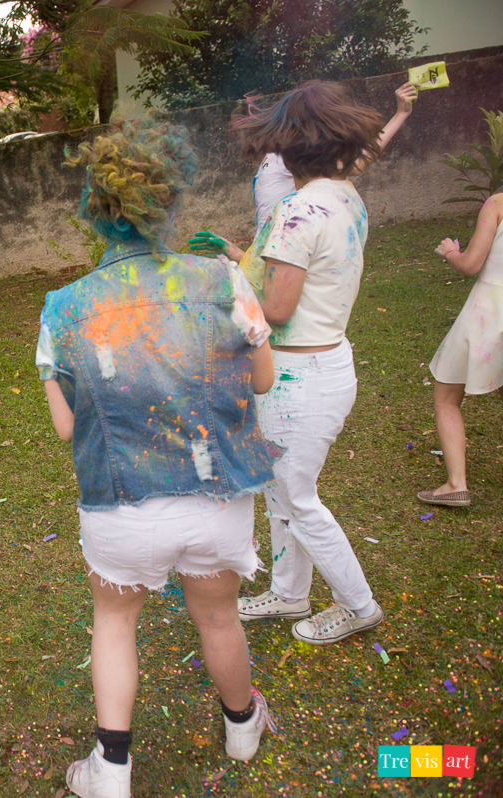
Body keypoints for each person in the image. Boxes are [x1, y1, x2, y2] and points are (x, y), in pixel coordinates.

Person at [38, 118, 279, 798]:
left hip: (120, 505)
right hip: (218, 497)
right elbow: (262, 380)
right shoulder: (223, 278)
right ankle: (241, 725)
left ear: (93, 207)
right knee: (218, 615)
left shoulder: (62, 308)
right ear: (169, 201)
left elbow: (65, 426)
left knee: (115, 622)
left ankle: (111, 770)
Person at [230, 80, 387, 645]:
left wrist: (227, 289)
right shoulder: (346, 195)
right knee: (280, 490)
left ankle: (358, 606)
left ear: (289, 146)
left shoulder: (298, 211)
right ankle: (290, 593)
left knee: (298, 497)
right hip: (326, 364)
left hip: (297, 380)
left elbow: (274, 307)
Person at [190, 81, 419, 261]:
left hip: (285, 251)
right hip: (269, 251)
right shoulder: (279, 153)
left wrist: (400, 114)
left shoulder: (296, 154)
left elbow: (357, 164)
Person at [419, 192, 503, 506]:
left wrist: (451, 252)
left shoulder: (497, 204)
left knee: (446, 397)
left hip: (490, 312)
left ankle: (456, 483)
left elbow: (470, 265)